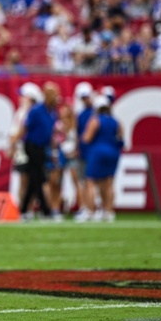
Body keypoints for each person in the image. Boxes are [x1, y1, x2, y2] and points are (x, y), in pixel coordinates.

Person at [19, 82, 60, 220]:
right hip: (32, 145)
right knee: (39, 177)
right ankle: (45, 210)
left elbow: (51, 132)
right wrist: (15, 143)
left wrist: (53, 150)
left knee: (34, 178)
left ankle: (24, 209)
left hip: (43, 147)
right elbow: (25, 127)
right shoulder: (36, 110)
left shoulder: (52, 112)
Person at [81, 95, 123, 222]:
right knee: (108, 183)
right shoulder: (115, 121)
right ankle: (108, 211)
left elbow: (87, 138)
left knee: (90, 182)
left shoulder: (95, 120)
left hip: (98, 152)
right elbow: (120, 138)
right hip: (113, 152)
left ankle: (91, 211)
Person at [9, 82, 41, 208]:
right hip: (22, 151)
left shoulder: (35, 113)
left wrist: (13, 142)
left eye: (23, 96)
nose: (20, 98)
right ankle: (25, 208)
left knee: (34, 180)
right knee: (23, 180)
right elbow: (13, 132)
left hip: (33, 149)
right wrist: (12, 145)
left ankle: (30, 207)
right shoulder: (20, 112)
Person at [73, 82, 96, 221]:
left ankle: (89, 209)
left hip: (89, 152)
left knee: (88, 182)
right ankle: (89, 208)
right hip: (87, 152)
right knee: (86, 182)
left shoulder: (90, 114)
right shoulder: (85, 114)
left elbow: (83, 136)